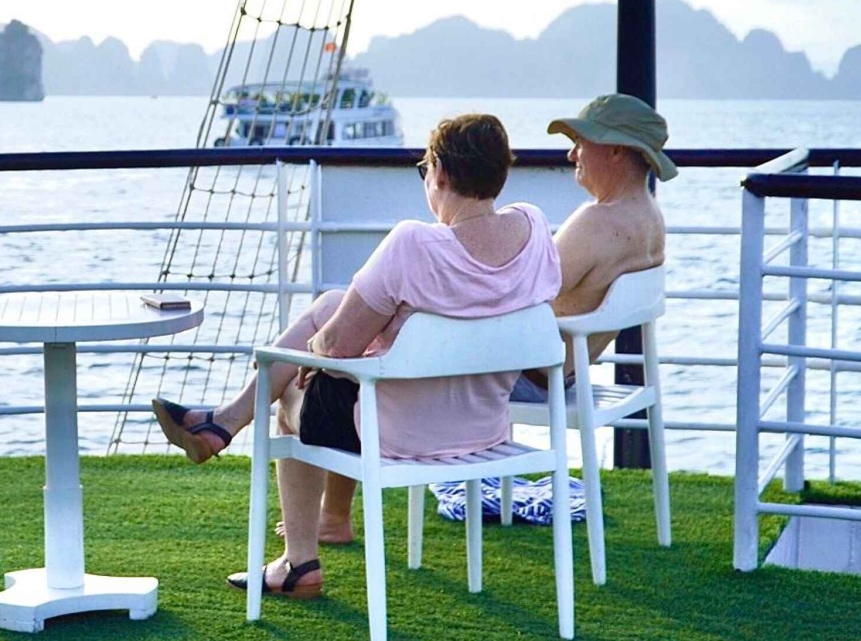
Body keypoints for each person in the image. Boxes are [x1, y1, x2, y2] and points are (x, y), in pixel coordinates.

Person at [154, 113, 561, 596]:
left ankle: (297, 561)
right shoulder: (534, 230)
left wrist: (317, 356)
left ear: (440, 173)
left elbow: (335, 346)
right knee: (331, 309)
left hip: (399, 435)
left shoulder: (414, 243)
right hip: (483, 431)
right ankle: (311, 498)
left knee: (290, 396)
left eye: (425, 170)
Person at [262, 93, 675, 545]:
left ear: (615, 151)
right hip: (558, 365)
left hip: (521, 372)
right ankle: (308, 491)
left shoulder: (597, 221)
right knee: (364, 322)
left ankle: (293, 482)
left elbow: (517, 290)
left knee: (364, 337)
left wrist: (434, 291)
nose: (572, 154)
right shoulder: (649, 217)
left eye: (581, 143)